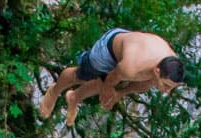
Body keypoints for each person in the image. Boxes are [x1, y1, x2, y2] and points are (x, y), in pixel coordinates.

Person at [39, 28, 185, 126]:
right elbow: (110, 79)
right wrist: (108, 90)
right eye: (166, 85)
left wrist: (119, 94)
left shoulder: (170, 63)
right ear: (157, 71)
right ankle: (55, 91)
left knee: (120, 86)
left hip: (130, 48)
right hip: (109, 49)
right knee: (81, 76)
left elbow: (144, 84)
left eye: (171, 88)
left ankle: (74, 97)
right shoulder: (131, 67)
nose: (166, 91)